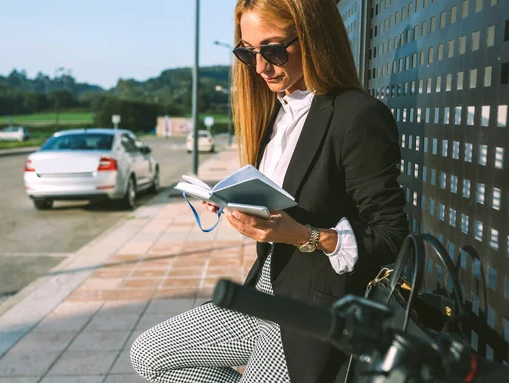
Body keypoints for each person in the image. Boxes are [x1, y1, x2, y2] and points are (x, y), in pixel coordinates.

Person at [130, 0, 408, 381]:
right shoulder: (276, 112)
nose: (260, 66)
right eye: (247, 52)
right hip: (266, 284)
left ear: (313, 38)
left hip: (313, 305)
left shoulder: (357, 115)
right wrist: (235, 201)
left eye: (273, 50)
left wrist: (304, 235)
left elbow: (392, 235)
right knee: (149, 353)